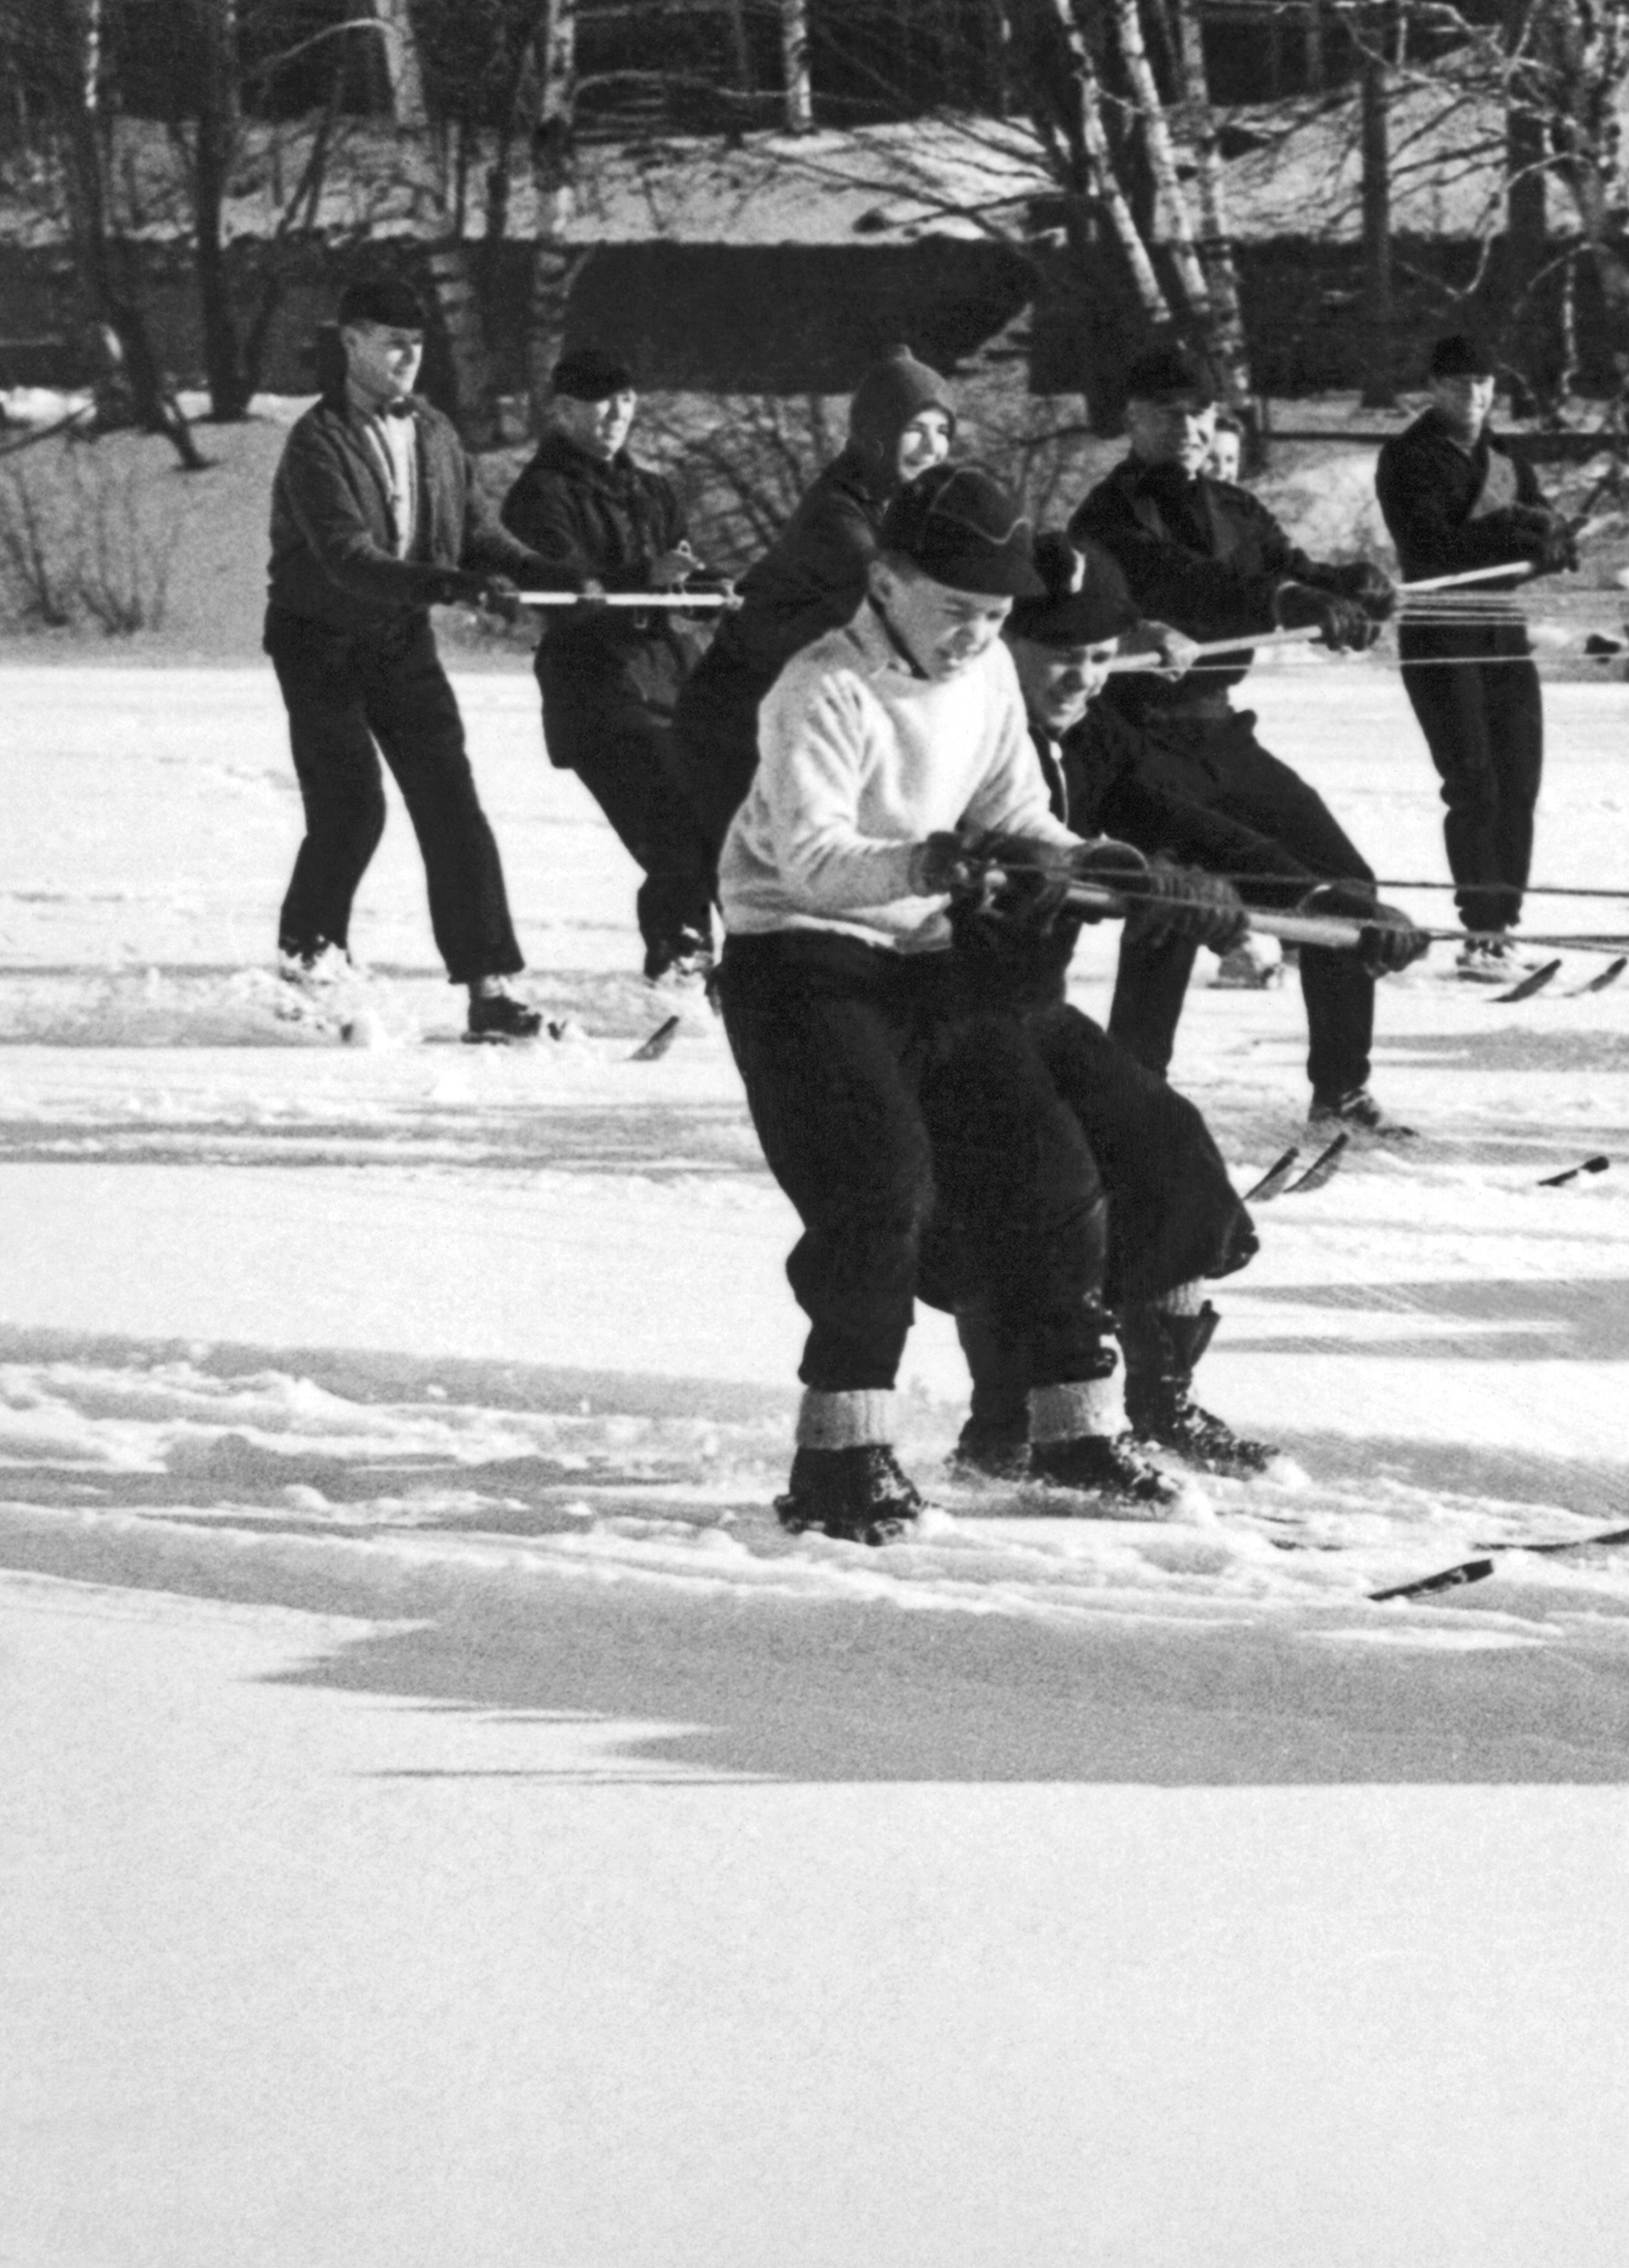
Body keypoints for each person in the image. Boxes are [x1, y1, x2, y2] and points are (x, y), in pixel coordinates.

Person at [715, 460, 1174, 1544]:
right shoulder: (819, 690)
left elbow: (1016, 805)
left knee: (1051, 1170)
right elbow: (818, 860)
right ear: (888, 579)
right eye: (960, 610)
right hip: (802, 960)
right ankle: (842, 1452)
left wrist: (1099, 861)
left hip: (925, 955)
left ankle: (1073, 1432)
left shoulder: (985, 681)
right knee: (879, 1186)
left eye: (999, 615)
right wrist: (931, 860)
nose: (978, 635)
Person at [923, 533, 1284, 1479]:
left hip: (1033, 1008)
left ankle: (1158, 1403)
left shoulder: (1095, 737)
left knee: (1165, 1143)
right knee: (1035, 1191)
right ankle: (1008, 1424)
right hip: (937, 1012)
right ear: (1003, 645)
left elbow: (1173, 814)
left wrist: (1330, 900)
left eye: (1095, 655)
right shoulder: (950, 732)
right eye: (1056, 654)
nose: (1079, 676)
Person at [1072, 349, 1418, 1174]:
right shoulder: (1106, 518)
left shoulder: (1234, 503)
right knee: (1178, 906)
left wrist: (1346, 585)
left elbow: (1282, 571)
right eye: (1163, 413)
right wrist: (1283, 602)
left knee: (1344, 886)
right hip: (1142, 741)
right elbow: (1184, 584)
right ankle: (1130, 1096)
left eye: (1197, 413)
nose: (1185, 428)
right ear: (1132, 421)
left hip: (1224, 733)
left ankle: (1340, 1089)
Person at [262, 273, 554, 1045]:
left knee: (452, 806)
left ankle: (491, 989)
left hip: (398, 638)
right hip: (317, 639)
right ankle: (310, 963)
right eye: (392, 343)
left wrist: (549, 576)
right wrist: (452, 584)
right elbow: (347, 558)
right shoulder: (315, 441)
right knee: (352, 808)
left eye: (416, 346)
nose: (406, 359)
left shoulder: (432, 431)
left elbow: (479, 535)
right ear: (351, 341)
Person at [499, 347, 717, 990]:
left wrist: (705, 588)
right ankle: (677, 964)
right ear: (562, 410)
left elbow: (681, 568)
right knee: (672, 832)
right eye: (600, 400)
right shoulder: (538, 497)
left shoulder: (652, 489)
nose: (616, 413)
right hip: (596, 696)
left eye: (625, 398)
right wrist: (644, 580)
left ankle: (730, 965)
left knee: (717, 826)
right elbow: (562, 597)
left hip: (673, 683)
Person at [672, 347, 957, 842]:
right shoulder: (836, 516)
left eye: (943, 432)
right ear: (876, 435)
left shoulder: (902, 506)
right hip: (734, 721)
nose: (931, 448)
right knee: (753, 887)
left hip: (793, 717)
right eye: (916, 429)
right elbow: (901, 603)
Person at [1372, 332, 1577, 972]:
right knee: (1475, 786)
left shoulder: (1509, 459)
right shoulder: (1407, 458)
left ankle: (1504, 921)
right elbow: (1432, 547)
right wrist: (1512, 530)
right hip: (1441, 631)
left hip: (1502, 631)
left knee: (1519, 780)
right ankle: (1480, 926)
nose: (1476, 396)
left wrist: (1551, 544)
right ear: (1433, 388)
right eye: (1461, 384)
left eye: (1485, 384)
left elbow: (1530, 538)